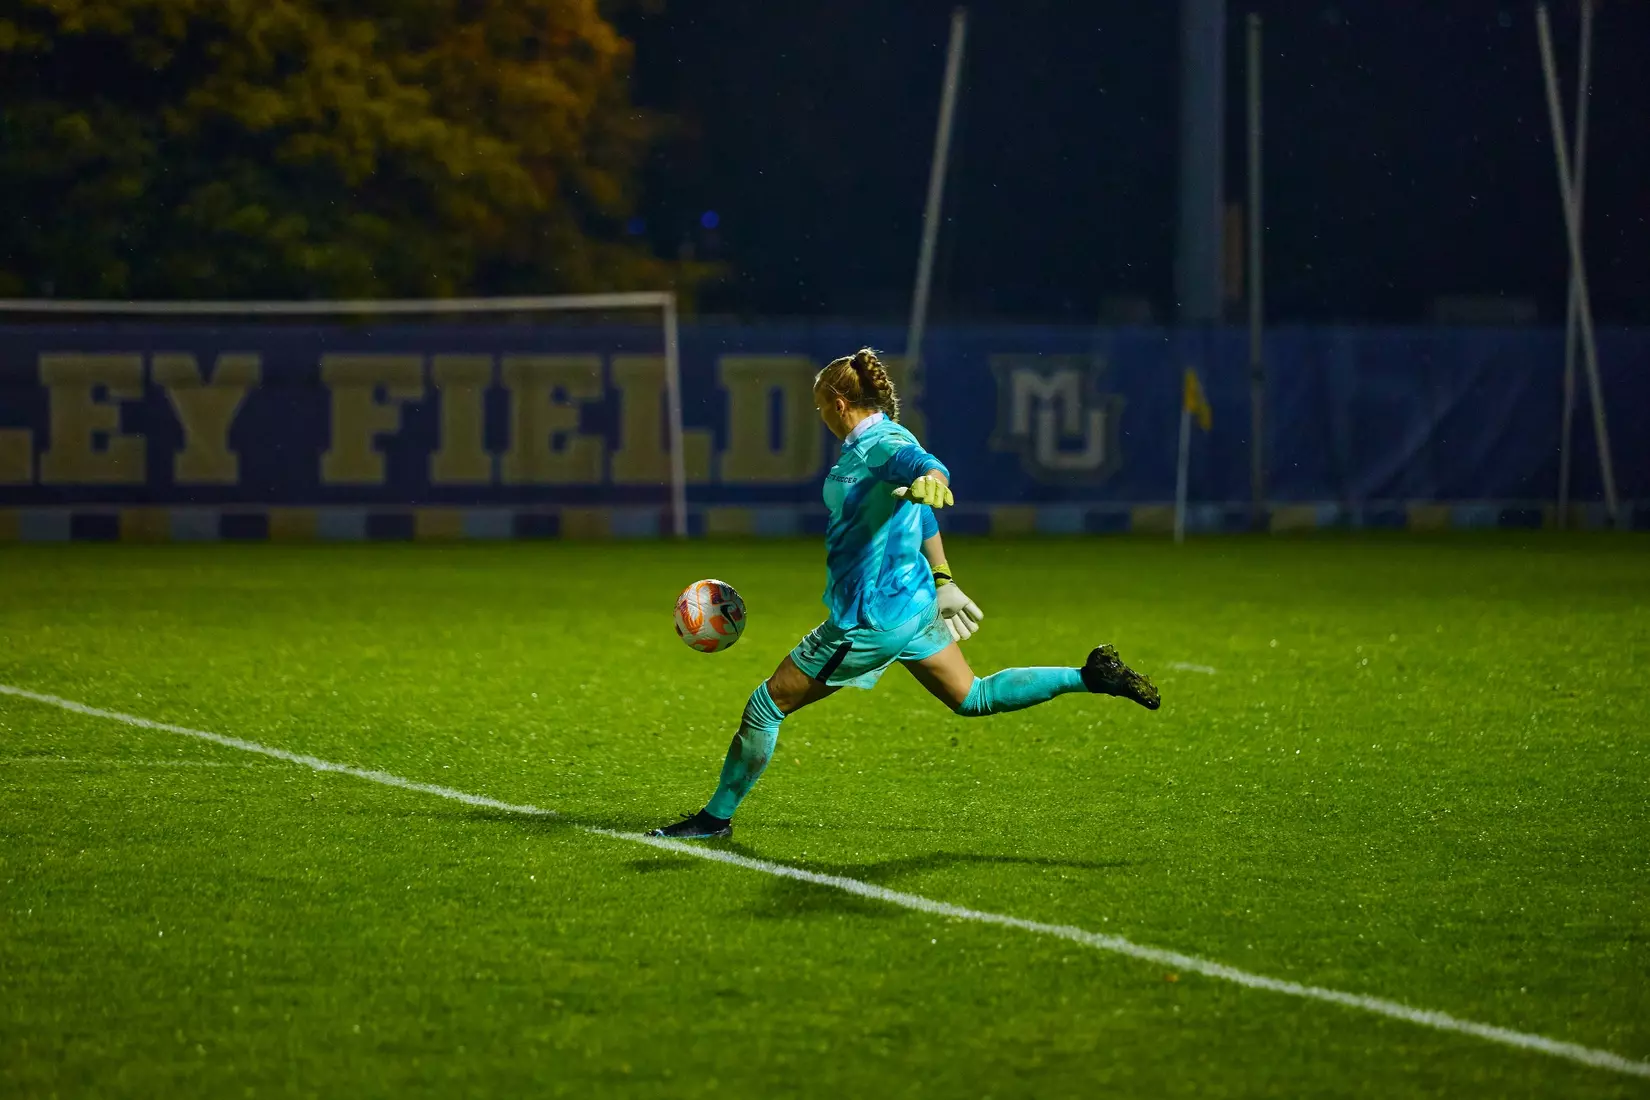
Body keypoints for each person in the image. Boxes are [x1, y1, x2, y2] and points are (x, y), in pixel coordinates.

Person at [649, 348, 1159, 840]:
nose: (821, 414)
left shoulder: (879, 445)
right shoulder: (875, 443)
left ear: (839, 404)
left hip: (868, 620)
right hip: (914, 605)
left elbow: (923, 465)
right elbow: (919, 510)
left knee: (765, 706)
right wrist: (944, 579)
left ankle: (714, 821)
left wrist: (934, 475)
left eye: (820, 405)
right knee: (972, 696)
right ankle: (1090, 676)